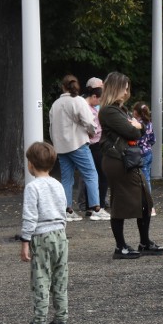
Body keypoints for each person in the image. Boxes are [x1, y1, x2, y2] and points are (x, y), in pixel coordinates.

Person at [99, 72, 163, 259]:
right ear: (115, 88)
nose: (127, 91)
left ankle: (144, 242)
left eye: (128, 88)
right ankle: (121, 247)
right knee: (120, 202)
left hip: (127, 160)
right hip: (117, 161)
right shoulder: (109, 111)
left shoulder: (120, 109)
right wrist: (136, 127)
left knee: (145, 200)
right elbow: (132, 132)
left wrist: (138, 127)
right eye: (124, 87)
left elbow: (139, 130)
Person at [13, 142, 70, 324]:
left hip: (42, 236)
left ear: (31, 164)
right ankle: (61, 321)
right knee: (60, 279)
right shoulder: (58, 184)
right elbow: (64, 210)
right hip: (60, 235)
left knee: (41, 280)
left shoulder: (32, 187)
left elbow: (30, 216)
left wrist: (25, 241)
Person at [49, 74, 107, 222]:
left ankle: (67, 210)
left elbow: (51, 127)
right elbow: (89, 121)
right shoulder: (78, 101)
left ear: (63, 87)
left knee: (67, 179)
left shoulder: (55, 104)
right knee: (91, 175)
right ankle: (96, 209)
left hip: (61, 147)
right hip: (78, 144)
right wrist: (92, 131)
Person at [78, 77, 109, 216]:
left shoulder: (90, 105)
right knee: (98, 175)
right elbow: (91, 128)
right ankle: (97, 206)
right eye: (100, 87)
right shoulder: (86, 106)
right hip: (94, 143)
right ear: (94, 93)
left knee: (92, 175)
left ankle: (93, 205)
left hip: (96, 143)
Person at [132, 102, 157, 217]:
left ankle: (148, 206)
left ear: (136, 112)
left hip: (139, 154)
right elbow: (153, 139)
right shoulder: (149, 123)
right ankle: (148, 206)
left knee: (142, 180)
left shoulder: (137, 124)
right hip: (148, 153)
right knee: (147, 178)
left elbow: (134, 139)